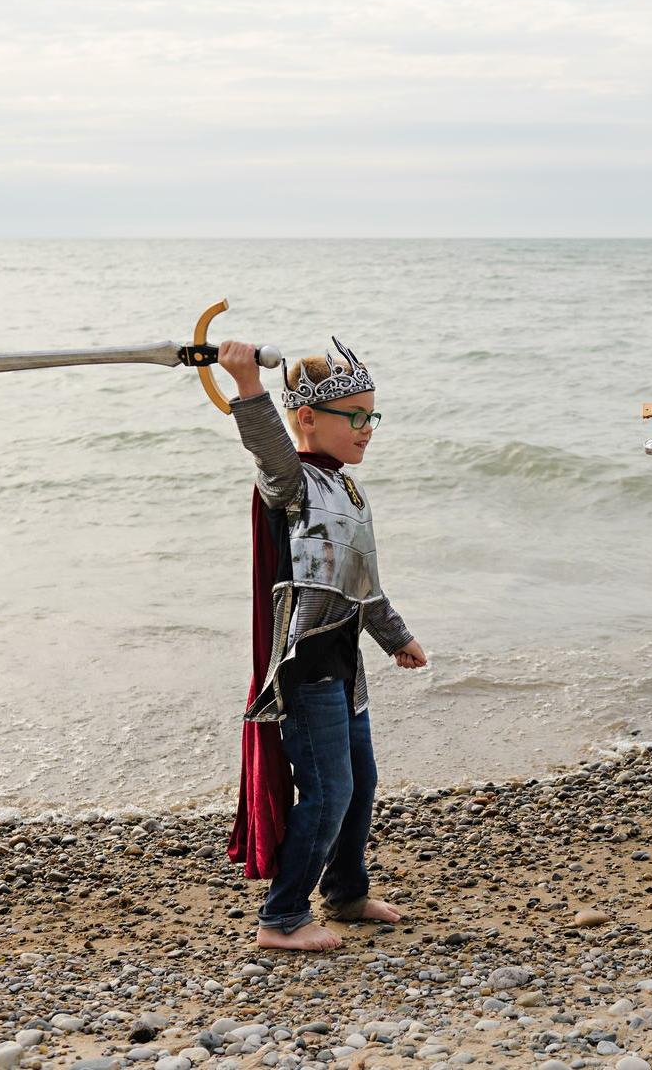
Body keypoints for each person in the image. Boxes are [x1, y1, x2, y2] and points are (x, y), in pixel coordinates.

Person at [220, 336, 427, 952]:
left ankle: (345, 893)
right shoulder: (291, 484)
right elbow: (268, 448)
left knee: (360, 782)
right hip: (305, 667)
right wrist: (248, 388)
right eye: (355, 417)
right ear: (307, 418)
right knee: (329, 788)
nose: (367, 429)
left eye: (373, 417)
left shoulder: (348, 489)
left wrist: (397, 637)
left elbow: (362, 584)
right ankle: (281, 918)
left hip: (343, 662)